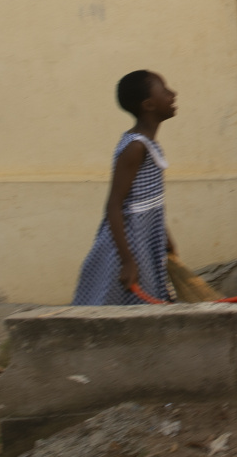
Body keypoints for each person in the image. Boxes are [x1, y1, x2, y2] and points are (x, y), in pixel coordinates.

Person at [74, 71, 179, 305]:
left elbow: (151, 202)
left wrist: (165, 237)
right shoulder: (135, 148)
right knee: (112, 302)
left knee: (146, 299)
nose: (173, 94)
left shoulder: (149, 144)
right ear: (148, 105)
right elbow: (114, 205)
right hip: (129, 243)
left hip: (146, 238)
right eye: (165, 91)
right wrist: (127, 261)